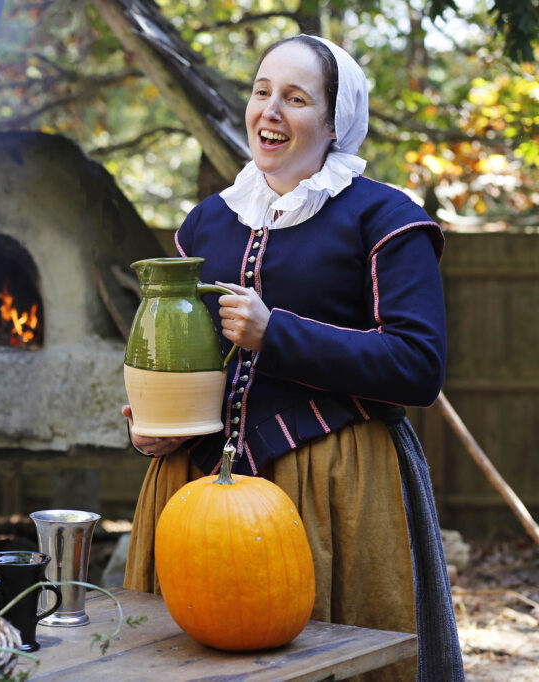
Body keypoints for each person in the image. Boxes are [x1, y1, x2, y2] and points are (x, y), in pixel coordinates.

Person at [121, 35, 464, 681]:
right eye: (262, 92)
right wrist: (152, 426)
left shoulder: (385, 218)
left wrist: (274, 333)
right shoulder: (206, 223)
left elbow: (418, 366)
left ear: (335, 123)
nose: (270, 110)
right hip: (194, 491)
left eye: (296, 98)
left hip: (334, 484)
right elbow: (182, 359)